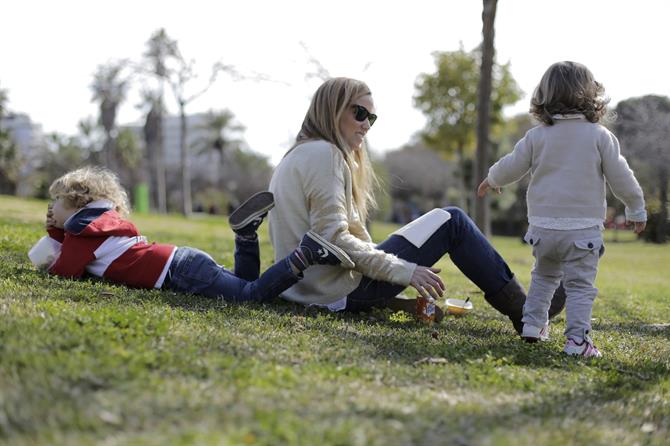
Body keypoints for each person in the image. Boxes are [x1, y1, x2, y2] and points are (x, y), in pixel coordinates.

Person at [268, 77, 565, 329]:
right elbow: (333, 239)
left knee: (443, 219)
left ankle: (522, 307)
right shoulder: (324, 154)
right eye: (359, 113)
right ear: (332, 110)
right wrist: (405, 271)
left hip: (308, 290)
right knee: (454, 222)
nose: (366, 125)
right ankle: (527, 311)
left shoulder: (297, 155)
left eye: (371, 118)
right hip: (332, 292)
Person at [478, 61, 647, 357]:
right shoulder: (599, 136)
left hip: (543, 230)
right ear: (591, 95)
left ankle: (532, 325)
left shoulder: (537, 136)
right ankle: (578, 342)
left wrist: (492, 179)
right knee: (580, 286)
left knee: (543, 276)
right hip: (582, 231)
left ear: (543, 95)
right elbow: (622, 177)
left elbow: (512, 164)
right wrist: (635, 208)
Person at [31, 166, 354, 303]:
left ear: (76, 203)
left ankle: (306, 253)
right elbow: (73, 259)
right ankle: (245, 236)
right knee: (244, 285)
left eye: (56, 202)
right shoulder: (99, 223)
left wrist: (55, 230)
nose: (51, 208)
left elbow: (64, 272)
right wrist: (59, 229)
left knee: (250, 296)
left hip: (179, 272)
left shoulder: (80, 231)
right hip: (183, 261)